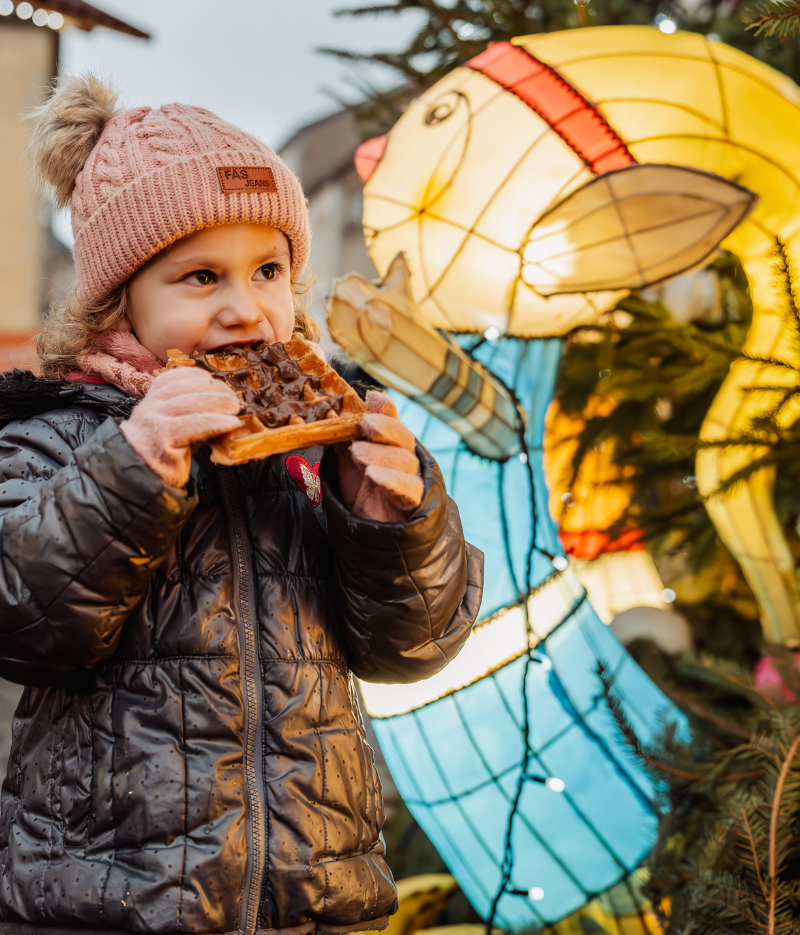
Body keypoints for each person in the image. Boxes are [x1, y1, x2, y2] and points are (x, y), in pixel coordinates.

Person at [0, 75, 483, 935]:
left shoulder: (321, 448)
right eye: (199, 277)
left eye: (267, 270)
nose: (243, 308)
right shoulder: (58, 436)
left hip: (320, 900)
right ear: (119, 299)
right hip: (110, 898)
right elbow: (27, 625)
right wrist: (131, 472)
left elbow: (415, 647)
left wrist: (392, 526)